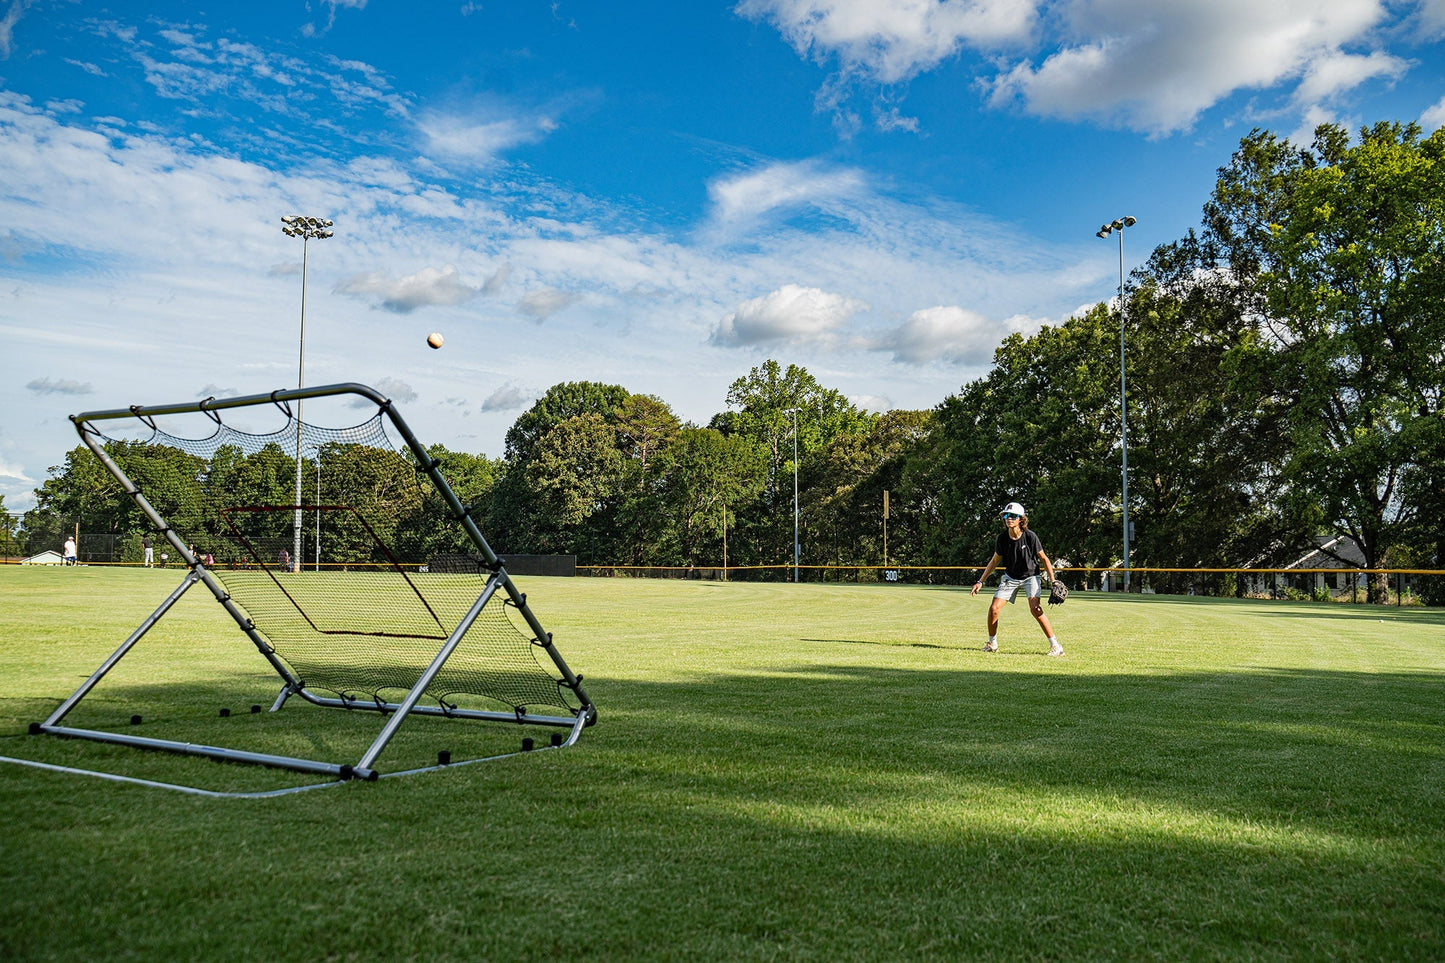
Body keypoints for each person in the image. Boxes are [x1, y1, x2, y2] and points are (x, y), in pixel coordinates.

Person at [970, 501, 1064, 656]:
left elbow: (1044, 559)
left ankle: (1056, 646)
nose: (1009, 519)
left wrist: (1053, 581)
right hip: (1011, 577)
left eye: (1013, 516)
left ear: (1021, 519)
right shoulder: (1002, 539)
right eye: (1006, 515)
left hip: (1031, 576)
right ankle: (992, 644)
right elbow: (994, 561)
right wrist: (980, 581)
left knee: (1035, 609)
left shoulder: (1030, 537)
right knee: (994, 609)